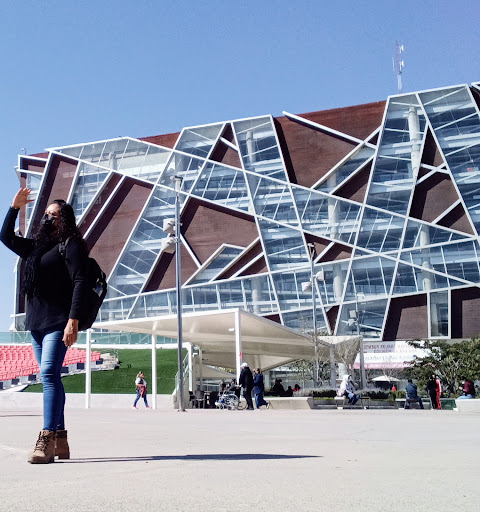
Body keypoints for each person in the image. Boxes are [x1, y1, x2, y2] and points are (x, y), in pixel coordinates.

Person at [0, 188, 89, 464]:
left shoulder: (71, 244)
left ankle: (47, 439)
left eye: (54, 214)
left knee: (49, 374)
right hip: (36, 323)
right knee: (51, 378)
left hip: (58, 320)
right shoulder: (36, 247)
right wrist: (13, 208)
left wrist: (73, 320)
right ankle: (61, 440)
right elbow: (5, 237)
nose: (48, 218)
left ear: (64, 219)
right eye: (46, 214)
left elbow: (81, 281)